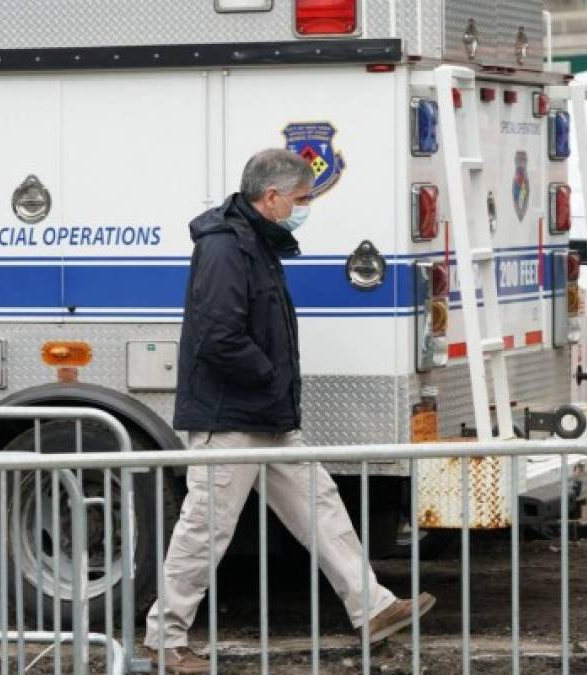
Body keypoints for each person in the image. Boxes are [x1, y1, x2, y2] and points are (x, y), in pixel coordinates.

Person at [144, 149, 435, 673]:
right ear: (271, 196)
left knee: (321, 506)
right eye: (301, 199)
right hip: (230, 419)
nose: (304, 208)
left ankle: (373, 606)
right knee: (204, 530)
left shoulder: (253, 242)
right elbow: (218, 337)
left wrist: (273, 388)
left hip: (263, 415)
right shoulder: (227, 249)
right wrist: (270, 376)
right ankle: (165, 639)